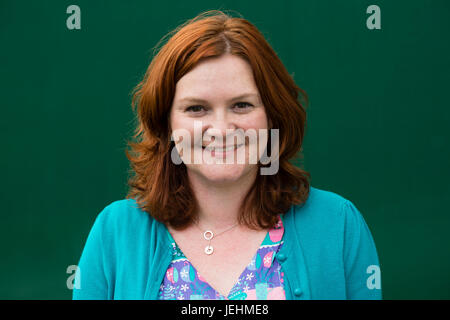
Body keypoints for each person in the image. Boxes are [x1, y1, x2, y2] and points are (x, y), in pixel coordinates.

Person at [73, 10, 382, 300]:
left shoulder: (338, 226)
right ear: (166, 124)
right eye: (196, 108)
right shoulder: (114, 234)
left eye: (241, 105)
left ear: (273, 116)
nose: (221, 129)